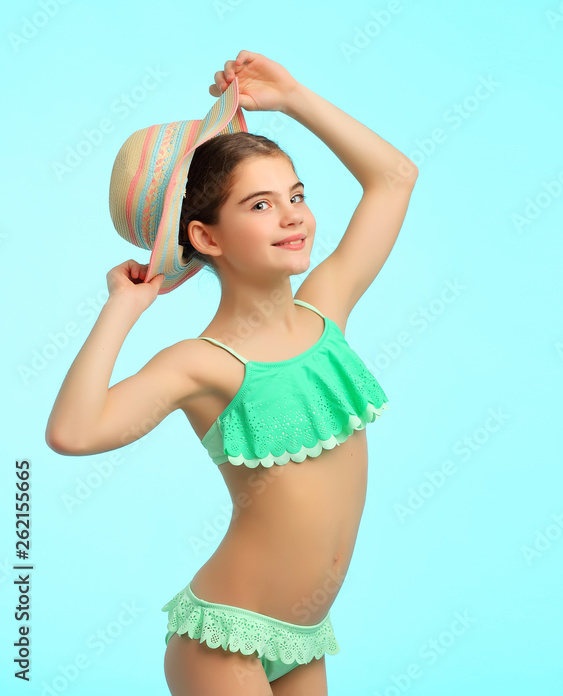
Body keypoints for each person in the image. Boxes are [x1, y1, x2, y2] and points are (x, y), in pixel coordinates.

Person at [44, 50, 418, 695]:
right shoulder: (204, 363)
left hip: (303, 635)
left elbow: (395, 177)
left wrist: (296, 96)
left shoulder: (327, 308)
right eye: (261, 205)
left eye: (296, 195)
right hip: (225, 638)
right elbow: (74, 433)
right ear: (207, 238)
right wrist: (123, 309)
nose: (294, 215)